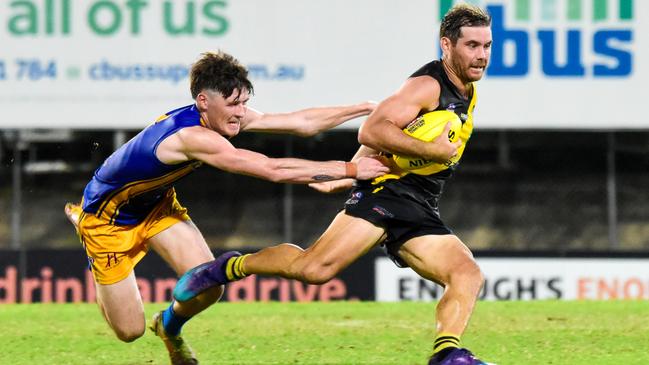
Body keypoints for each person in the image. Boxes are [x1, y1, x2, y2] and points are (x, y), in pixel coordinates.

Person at [173, 4, 493, 365]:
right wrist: (427, 150)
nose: (481, 55)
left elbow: (382, 140)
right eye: (471, 46)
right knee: (315, 270)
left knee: (466, 273)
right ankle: (229, 267)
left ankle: (447, 354)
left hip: (421, 200)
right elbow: (372, 129)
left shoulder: (466, 87)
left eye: (486, 46)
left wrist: (351, 169)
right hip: (387, 193)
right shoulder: (426, 86)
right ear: (446, 46)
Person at [64, 51, 389, 365]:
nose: (240, 112)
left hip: (157, 207)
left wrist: (365, 108)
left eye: (244, 103)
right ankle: (86, 231)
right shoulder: (192, 136)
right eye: (233, 104)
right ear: (204, 101)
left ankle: (168, 326)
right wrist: (351, 169)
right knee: (130, 331)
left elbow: (300, 122)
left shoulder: (218, 116)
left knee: (208, 285)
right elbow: (270, 169)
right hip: (106, 221)